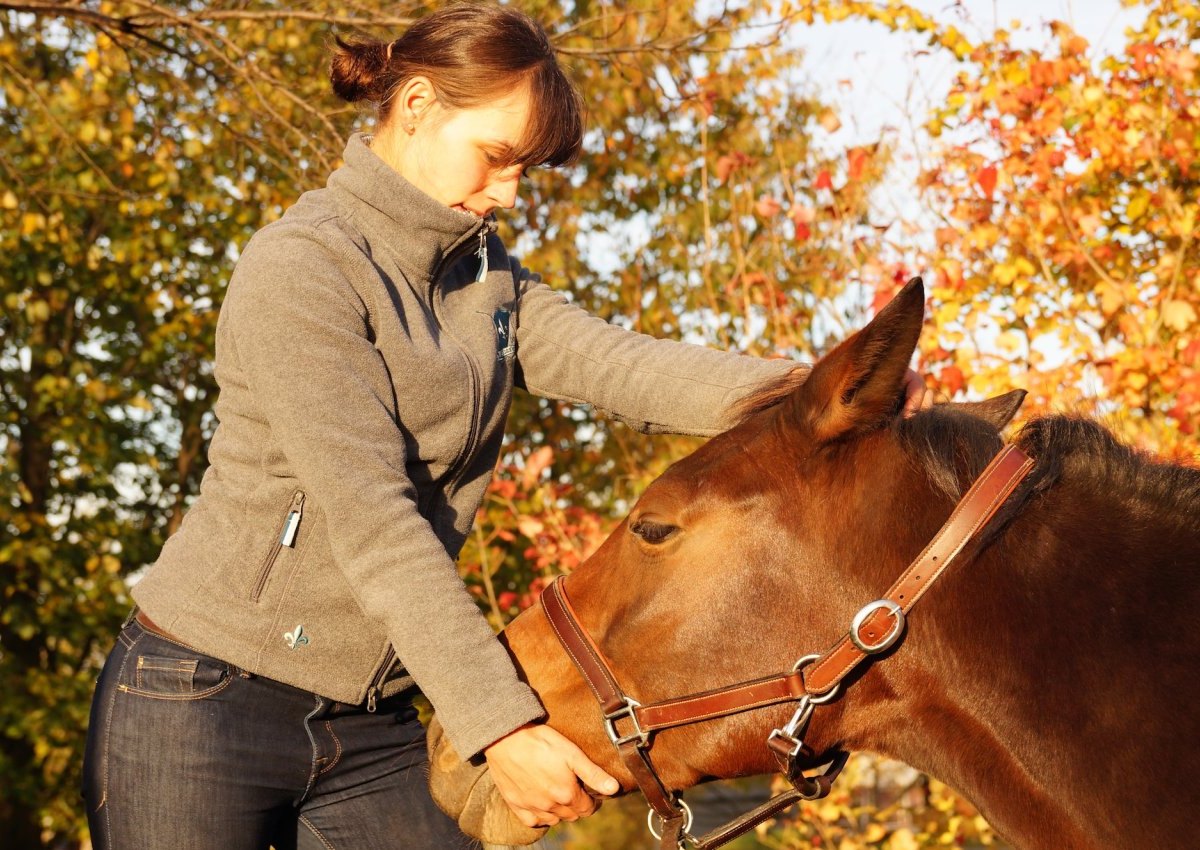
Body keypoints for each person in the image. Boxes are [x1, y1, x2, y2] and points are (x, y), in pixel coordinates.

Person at [82, 4, 933, 849]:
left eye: (524, 169)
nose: (507, 193)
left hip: (373, 715)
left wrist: (826, 395)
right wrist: (501, 726)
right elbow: (374, 519)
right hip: (201, 699)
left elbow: (619, 364)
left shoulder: (483, 278)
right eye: (496, 158)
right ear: (415, 106)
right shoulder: (303, 269)